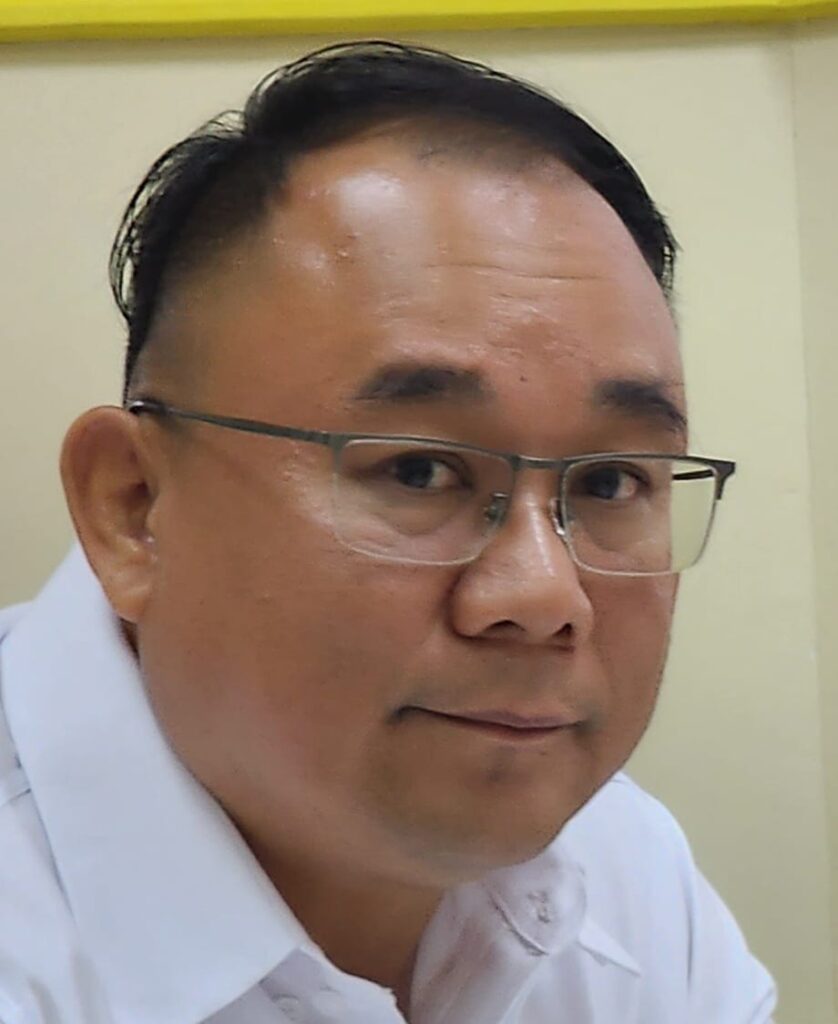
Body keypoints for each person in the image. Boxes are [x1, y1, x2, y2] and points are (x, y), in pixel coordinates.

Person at [0, 40, 777, 1024]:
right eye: (419, 470)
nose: (545, 597)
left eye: (612, 481)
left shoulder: (626, 873)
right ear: (133, 507)